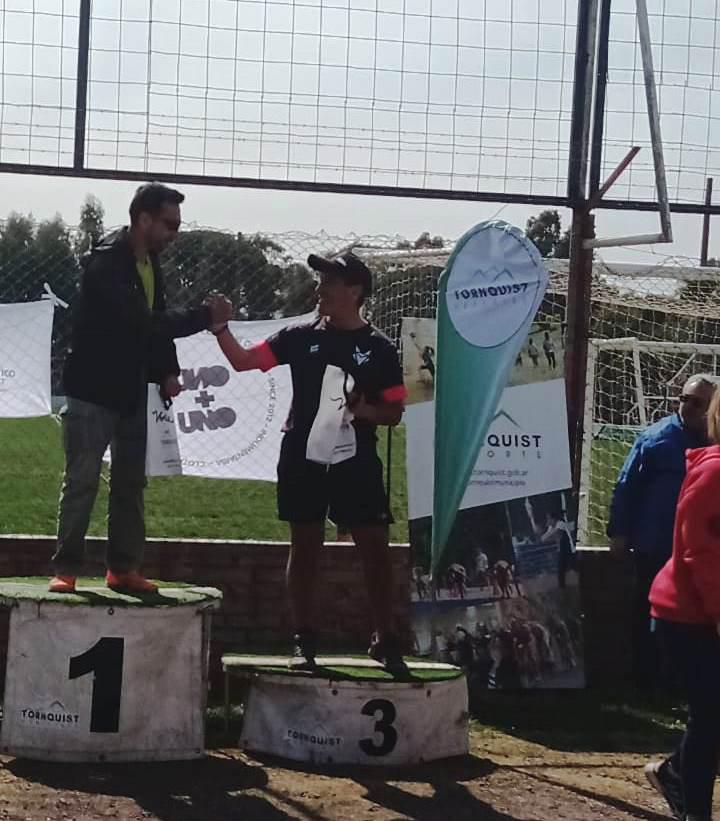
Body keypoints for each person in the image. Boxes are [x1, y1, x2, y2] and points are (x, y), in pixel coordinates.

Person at [212, 250, 407, 668]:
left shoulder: (380, 349)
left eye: (330, 282)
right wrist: (220, 328)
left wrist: (362, 409)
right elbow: (244, 362)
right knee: (305, 548)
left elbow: (394, 412)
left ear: (355, 291)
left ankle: (386, 638)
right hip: (303, 455)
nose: (320, 289)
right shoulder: (298, 337)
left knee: (374, 548)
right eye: (320, 281)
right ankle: (304, 640)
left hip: (356, 459)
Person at [50, 183, 232, 595]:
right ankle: (66, 569)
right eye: (170, 224)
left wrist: (167, 371)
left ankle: (123, 568)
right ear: (143, 219)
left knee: (131, 484)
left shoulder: (151, 263)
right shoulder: (106, 264)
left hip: (133, 389)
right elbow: (142, 323)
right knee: (81, 481)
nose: (175, 234)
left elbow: (155, 321)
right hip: (92, 391)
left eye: (178, 225)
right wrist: (205, 315)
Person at [608, 374, 717, 689]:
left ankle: (684, 682)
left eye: (697, 403)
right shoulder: (655, 438)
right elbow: (626, 487)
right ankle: (645, 679)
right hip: (655, 544)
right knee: (648, 612)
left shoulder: (714, 444)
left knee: (697, 618)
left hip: (698, 551)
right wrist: (619, 532)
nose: (688, 407)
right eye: (684, 399)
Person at [644, 388, 720, 821]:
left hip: (705, 611)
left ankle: (673, 773)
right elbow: (700, 551)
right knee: (710, 714)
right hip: (686, 616)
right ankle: (695, 811)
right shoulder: (713, 472)